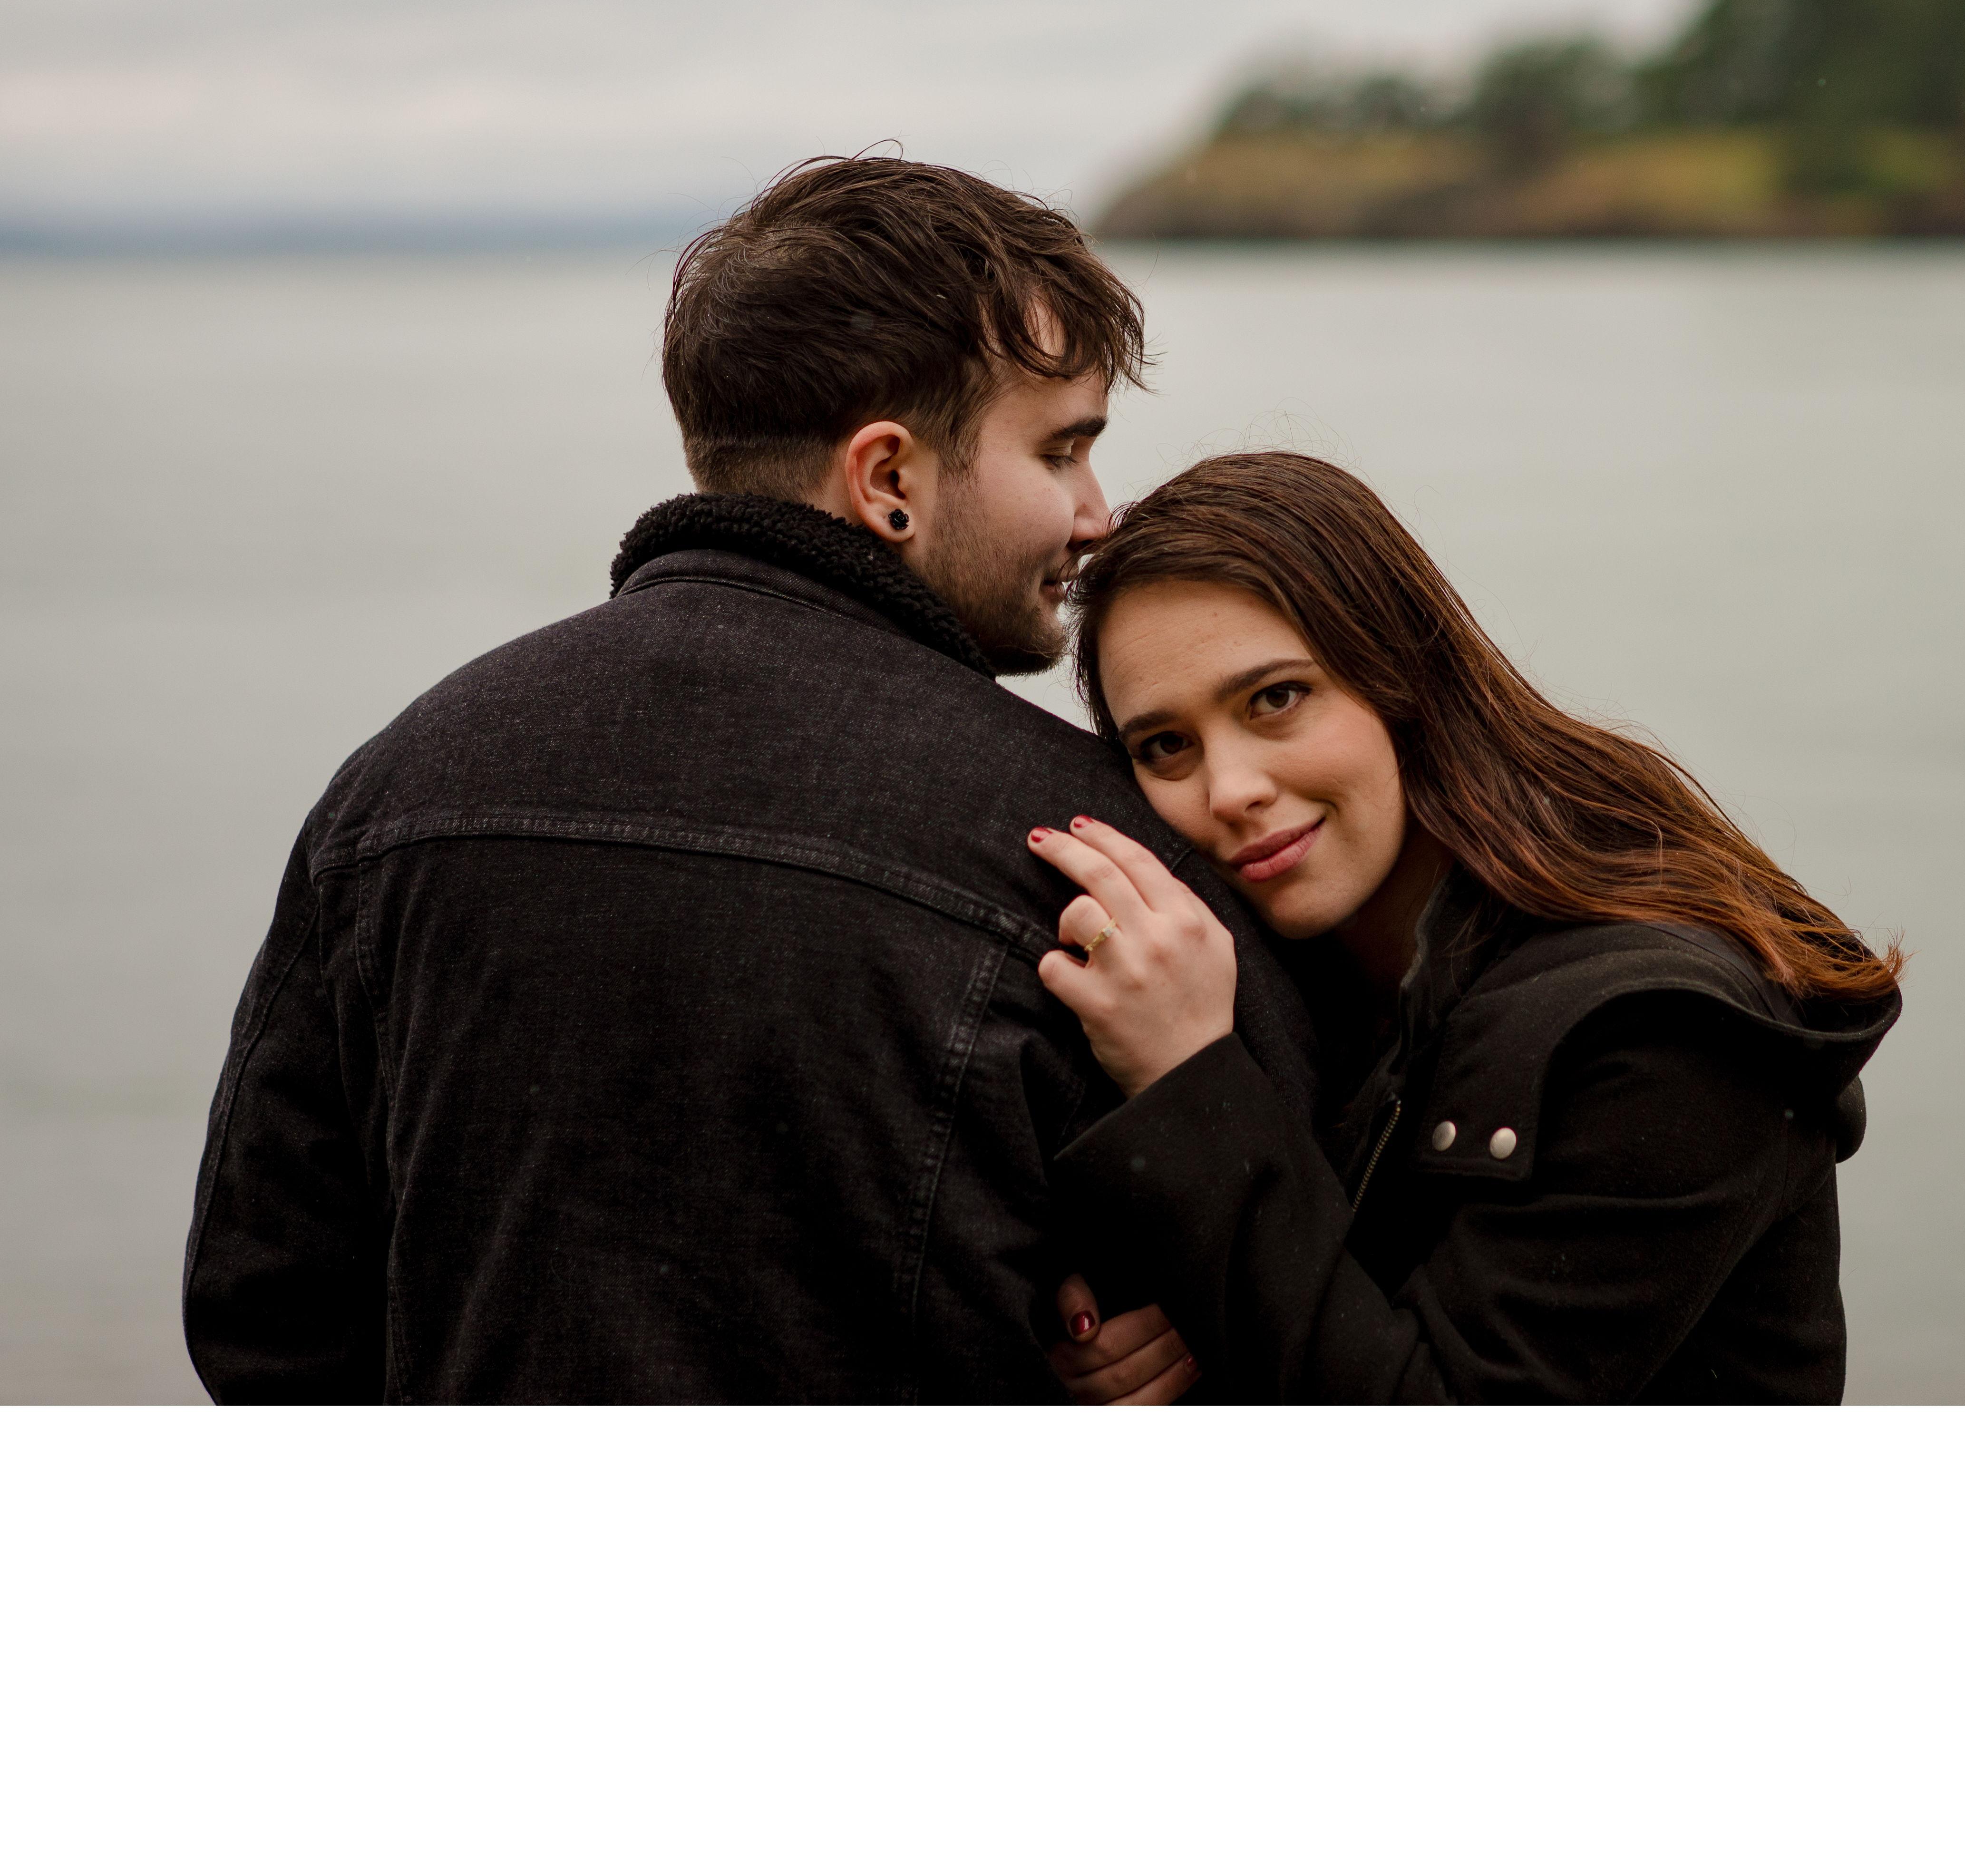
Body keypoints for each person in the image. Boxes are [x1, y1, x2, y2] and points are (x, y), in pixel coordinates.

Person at [181, 156, 1314, 1402]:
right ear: (888, 480)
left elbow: (264, 1307)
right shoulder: (1101, 865)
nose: (1098, 514)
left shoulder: (396, 792)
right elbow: (1301, 1316)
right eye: (1061, 453)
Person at [1027, 451, 1901, 1405]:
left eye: (1276, 699)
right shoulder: (1280, 976)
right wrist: (1156, 1303)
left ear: (1402, 671)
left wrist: (1189, 1078)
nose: (1230, 790)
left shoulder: (1657, 1034)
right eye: (1165, 746)